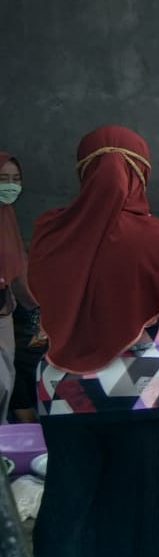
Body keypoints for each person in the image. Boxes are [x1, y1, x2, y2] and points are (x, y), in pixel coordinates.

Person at [27, 126, 159, 557]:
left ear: (84, 171)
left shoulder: (49, 231)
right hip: (147, 395)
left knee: (71, 512)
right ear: (141, 174)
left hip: (62, 395)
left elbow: (43, 299)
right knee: (146, 517)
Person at [0, 151, 41, 422]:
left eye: (16, 178)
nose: (10, 184)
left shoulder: (7, 216)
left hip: (3, 310)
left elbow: (17, 269)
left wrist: (38, 307)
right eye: (3, 178)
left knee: (6, 380)